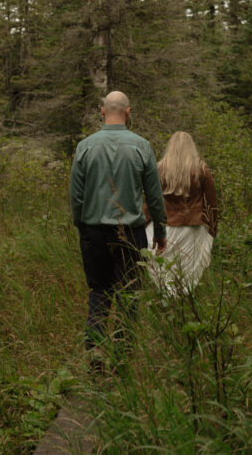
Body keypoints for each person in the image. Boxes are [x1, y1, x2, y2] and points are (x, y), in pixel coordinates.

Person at [69, 91, 168, 361]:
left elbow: (76, 196)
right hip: (132, 234)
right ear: (128, 111)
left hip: (93, 231)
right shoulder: (142, 146)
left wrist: (82, 226)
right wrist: (160, 233)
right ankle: (123, 357)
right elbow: (155, 197)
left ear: (102, 111)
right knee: (129, 295)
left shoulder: (85, 147)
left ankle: (96, 352)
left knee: (99, 291)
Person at [145, 131, 218, 294]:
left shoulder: (159, 168)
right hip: (192, 229)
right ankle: (184, 306)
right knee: (187, 273)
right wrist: (213, 230)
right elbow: (212, 204)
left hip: (165, 228)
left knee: (164, 271)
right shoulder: (201, 168)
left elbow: (151, 202)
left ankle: (166, 302)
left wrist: (142, 224)